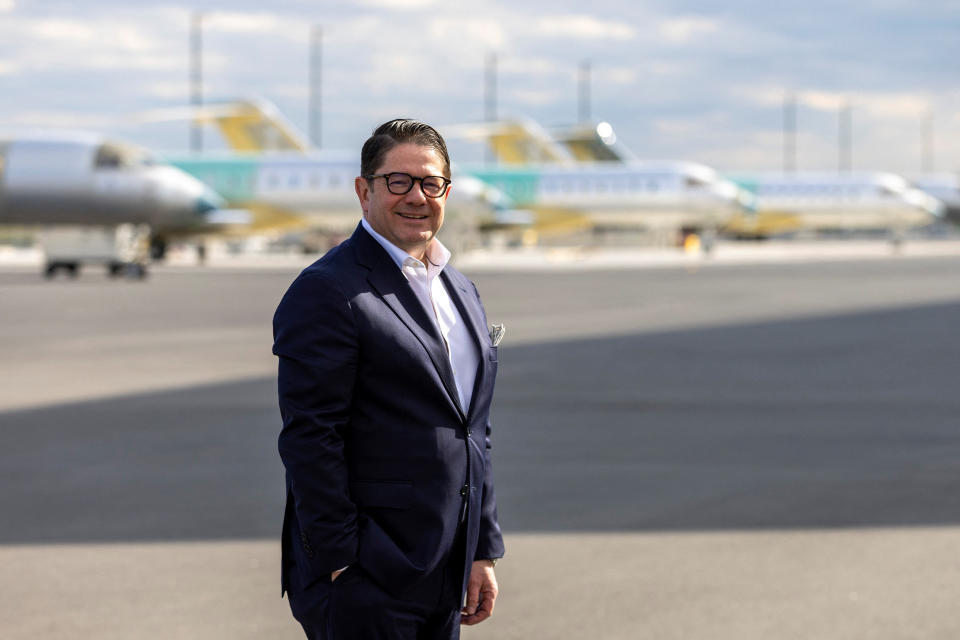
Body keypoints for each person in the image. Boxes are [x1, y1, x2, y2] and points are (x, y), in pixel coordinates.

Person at [273, 119, 505, 640]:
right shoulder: (329, 290)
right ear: (364, 190)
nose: (416, 196)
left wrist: (481, 547)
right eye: (398, 181)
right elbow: (311, 436)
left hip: (446, 567)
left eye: (430, 183)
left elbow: (474, 430)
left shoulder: (460, 289)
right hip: (369, 574)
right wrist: (342, 562)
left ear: (447, 190)